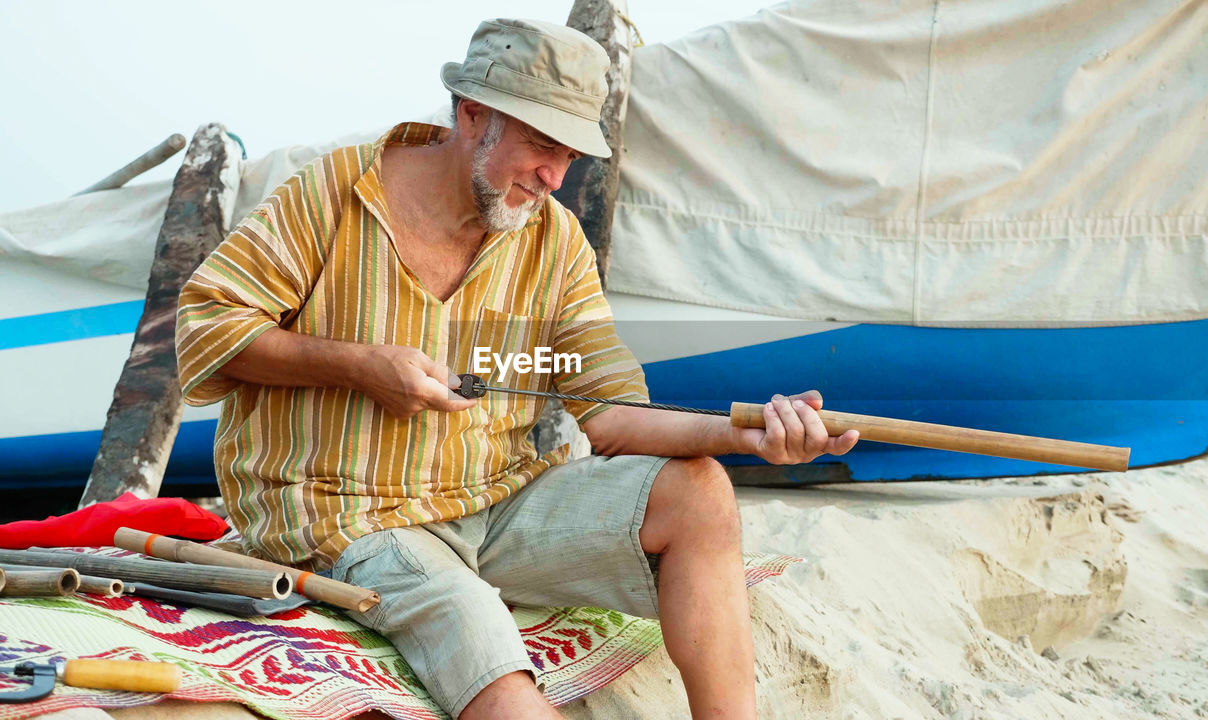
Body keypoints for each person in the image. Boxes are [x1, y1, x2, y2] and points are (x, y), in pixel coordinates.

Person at [175, 18, 858, 720]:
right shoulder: (331, 195)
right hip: (350, 517)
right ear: (474, 115)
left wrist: (749, 434)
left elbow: (613, 413)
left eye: (569, 157)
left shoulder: (554, 240)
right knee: (497, 665)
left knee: (700, 494)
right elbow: (203, 329)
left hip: (497, 503)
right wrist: (361, 366)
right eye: (540, 146)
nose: (554, 179)